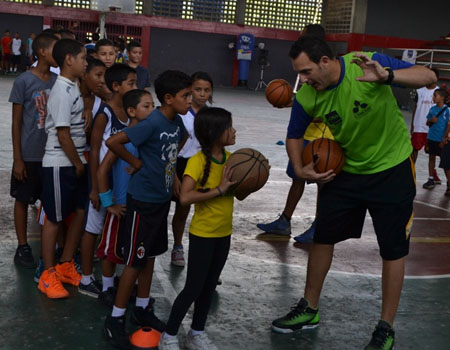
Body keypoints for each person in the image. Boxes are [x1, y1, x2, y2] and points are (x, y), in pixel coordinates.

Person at [270, 36, 436, 350]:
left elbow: (428, 76)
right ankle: (310, 307)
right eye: (299, 74)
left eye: (306, 72)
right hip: (345, 171)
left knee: (393, 249)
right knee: (323, 238)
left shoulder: (367, 62)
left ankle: (386, 327)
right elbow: (293, 136)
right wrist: (299, 167)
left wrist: (387, 76)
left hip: (392, 168)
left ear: (324, 61)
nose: (302, 80)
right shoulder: (308, 95)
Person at [103, 70, 191, 349]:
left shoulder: (177, 122)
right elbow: (113, 142)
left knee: (150, 255)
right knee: (134, 260)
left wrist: (174, 174)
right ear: (168, 98)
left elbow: (180, 142)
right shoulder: (151, 122)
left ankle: (142, 307)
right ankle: (115, 318)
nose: (190, 101)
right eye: (185, 96)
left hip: (161, 201)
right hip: (141, 202)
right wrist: (136, 162)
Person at [159, 107, 236, 350]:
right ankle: (169, 335)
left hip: (224, 233)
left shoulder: (232, 159)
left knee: (210, 285)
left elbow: (239, 192)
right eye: (229, 127)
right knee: (194, 286)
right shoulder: (197, 161)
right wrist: (219, 190)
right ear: (214, 133)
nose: (234, 131)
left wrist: (252, 179)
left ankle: (196, 333)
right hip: (204, 234)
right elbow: (184, 198)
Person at [256, 23, 331, 243]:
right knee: (297, 178)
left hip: (323, 138)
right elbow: (307, 105)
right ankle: (284, 222)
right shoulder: (307, 69)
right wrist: (291, 103)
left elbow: (323, 111)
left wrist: (295, 105)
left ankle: (319, 226)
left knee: (321, 184)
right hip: (305, 135)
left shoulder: (324, 72)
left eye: (302, 37)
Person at [79, 64, 137, 301]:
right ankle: (85, 278)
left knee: (113, 231)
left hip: (121, 182)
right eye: (131, 83)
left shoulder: (131, 112)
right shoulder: (104, 114)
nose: (135, 87)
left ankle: (110, 282)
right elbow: (94, 151)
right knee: (93, 227)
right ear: (116, 86)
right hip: (102, 180)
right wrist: (94, 187)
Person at [37, 39, 89, 299]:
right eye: (83, 58)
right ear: (69, 60)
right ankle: (47, 275)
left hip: (76, 162)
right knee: (54, 218)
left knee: (80, 212)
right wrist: (78, 164)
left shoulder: (73, 87)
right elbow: (63, 134)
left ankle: (66, 264)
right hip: (61, 163)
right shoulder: (60, 91)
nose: (86, 63)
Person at [96, 89, 155, 303]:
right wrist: (108, 203)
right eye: (146, 106)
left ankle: (125, 288)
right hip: (120, 205)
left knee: (132, 252)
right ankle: (107, 288)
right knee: (110, 251)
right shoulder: (120, 139)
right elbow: (102, 170)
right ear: (131, 111)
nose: (152, 110)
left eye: (153, 106)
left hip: (139, 207)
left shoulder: (148, 139)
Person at [9, 32, 59, 269]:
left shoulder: (58, 82)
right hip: (29, 153)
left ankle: (52, 246)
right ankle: (22, 245)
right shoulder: (24, 81)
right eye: (55, 50)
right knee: (22, 199)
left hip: (52, 153)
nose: (60, 55)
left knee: (50, 202)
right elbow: (16, 122)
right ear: (42, 52)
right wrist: (18, 158)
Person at [171, 71, 213, 267]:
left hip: (196, 166)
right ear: (190, 90)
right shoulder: (182, 113)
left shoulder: (210, 116)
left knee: (183, 209)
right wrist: (173, 174)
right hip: (176, 163)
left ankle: (177, 247)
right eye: (198, 89)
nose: (202, 94)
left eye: (206, 90)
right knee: (161, 207)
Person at [410, 69, 441, 184]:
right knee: (414, 150)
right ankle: (410, 173)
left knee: (432, 154)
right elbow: (415, 107)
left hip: (432, 128)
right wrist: (413, 124)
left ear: (435, 78)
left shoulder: (440, 93)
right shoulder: (419, 91)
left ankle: (432, 175)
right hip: (419, 126)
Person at [422, 89, 449, 189]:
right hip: (431, 137)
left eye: (435, 95)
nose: (433, 97)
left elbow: (448, 126)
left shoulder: (447, 110)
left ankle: (448, 182)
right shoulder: (432, 109)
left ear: (442, 97)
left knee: (445, 161)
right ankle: (430, 178)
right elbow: (427, 123)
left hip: (441, 140)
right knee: (431, 157)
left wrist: (444, 139)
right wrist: (430, 120)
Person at [439, 110, 450, 196]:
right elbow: (448, 126)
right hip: (448, 141)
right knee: (445, 164)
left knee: (447, 165)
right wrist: (444, 138)